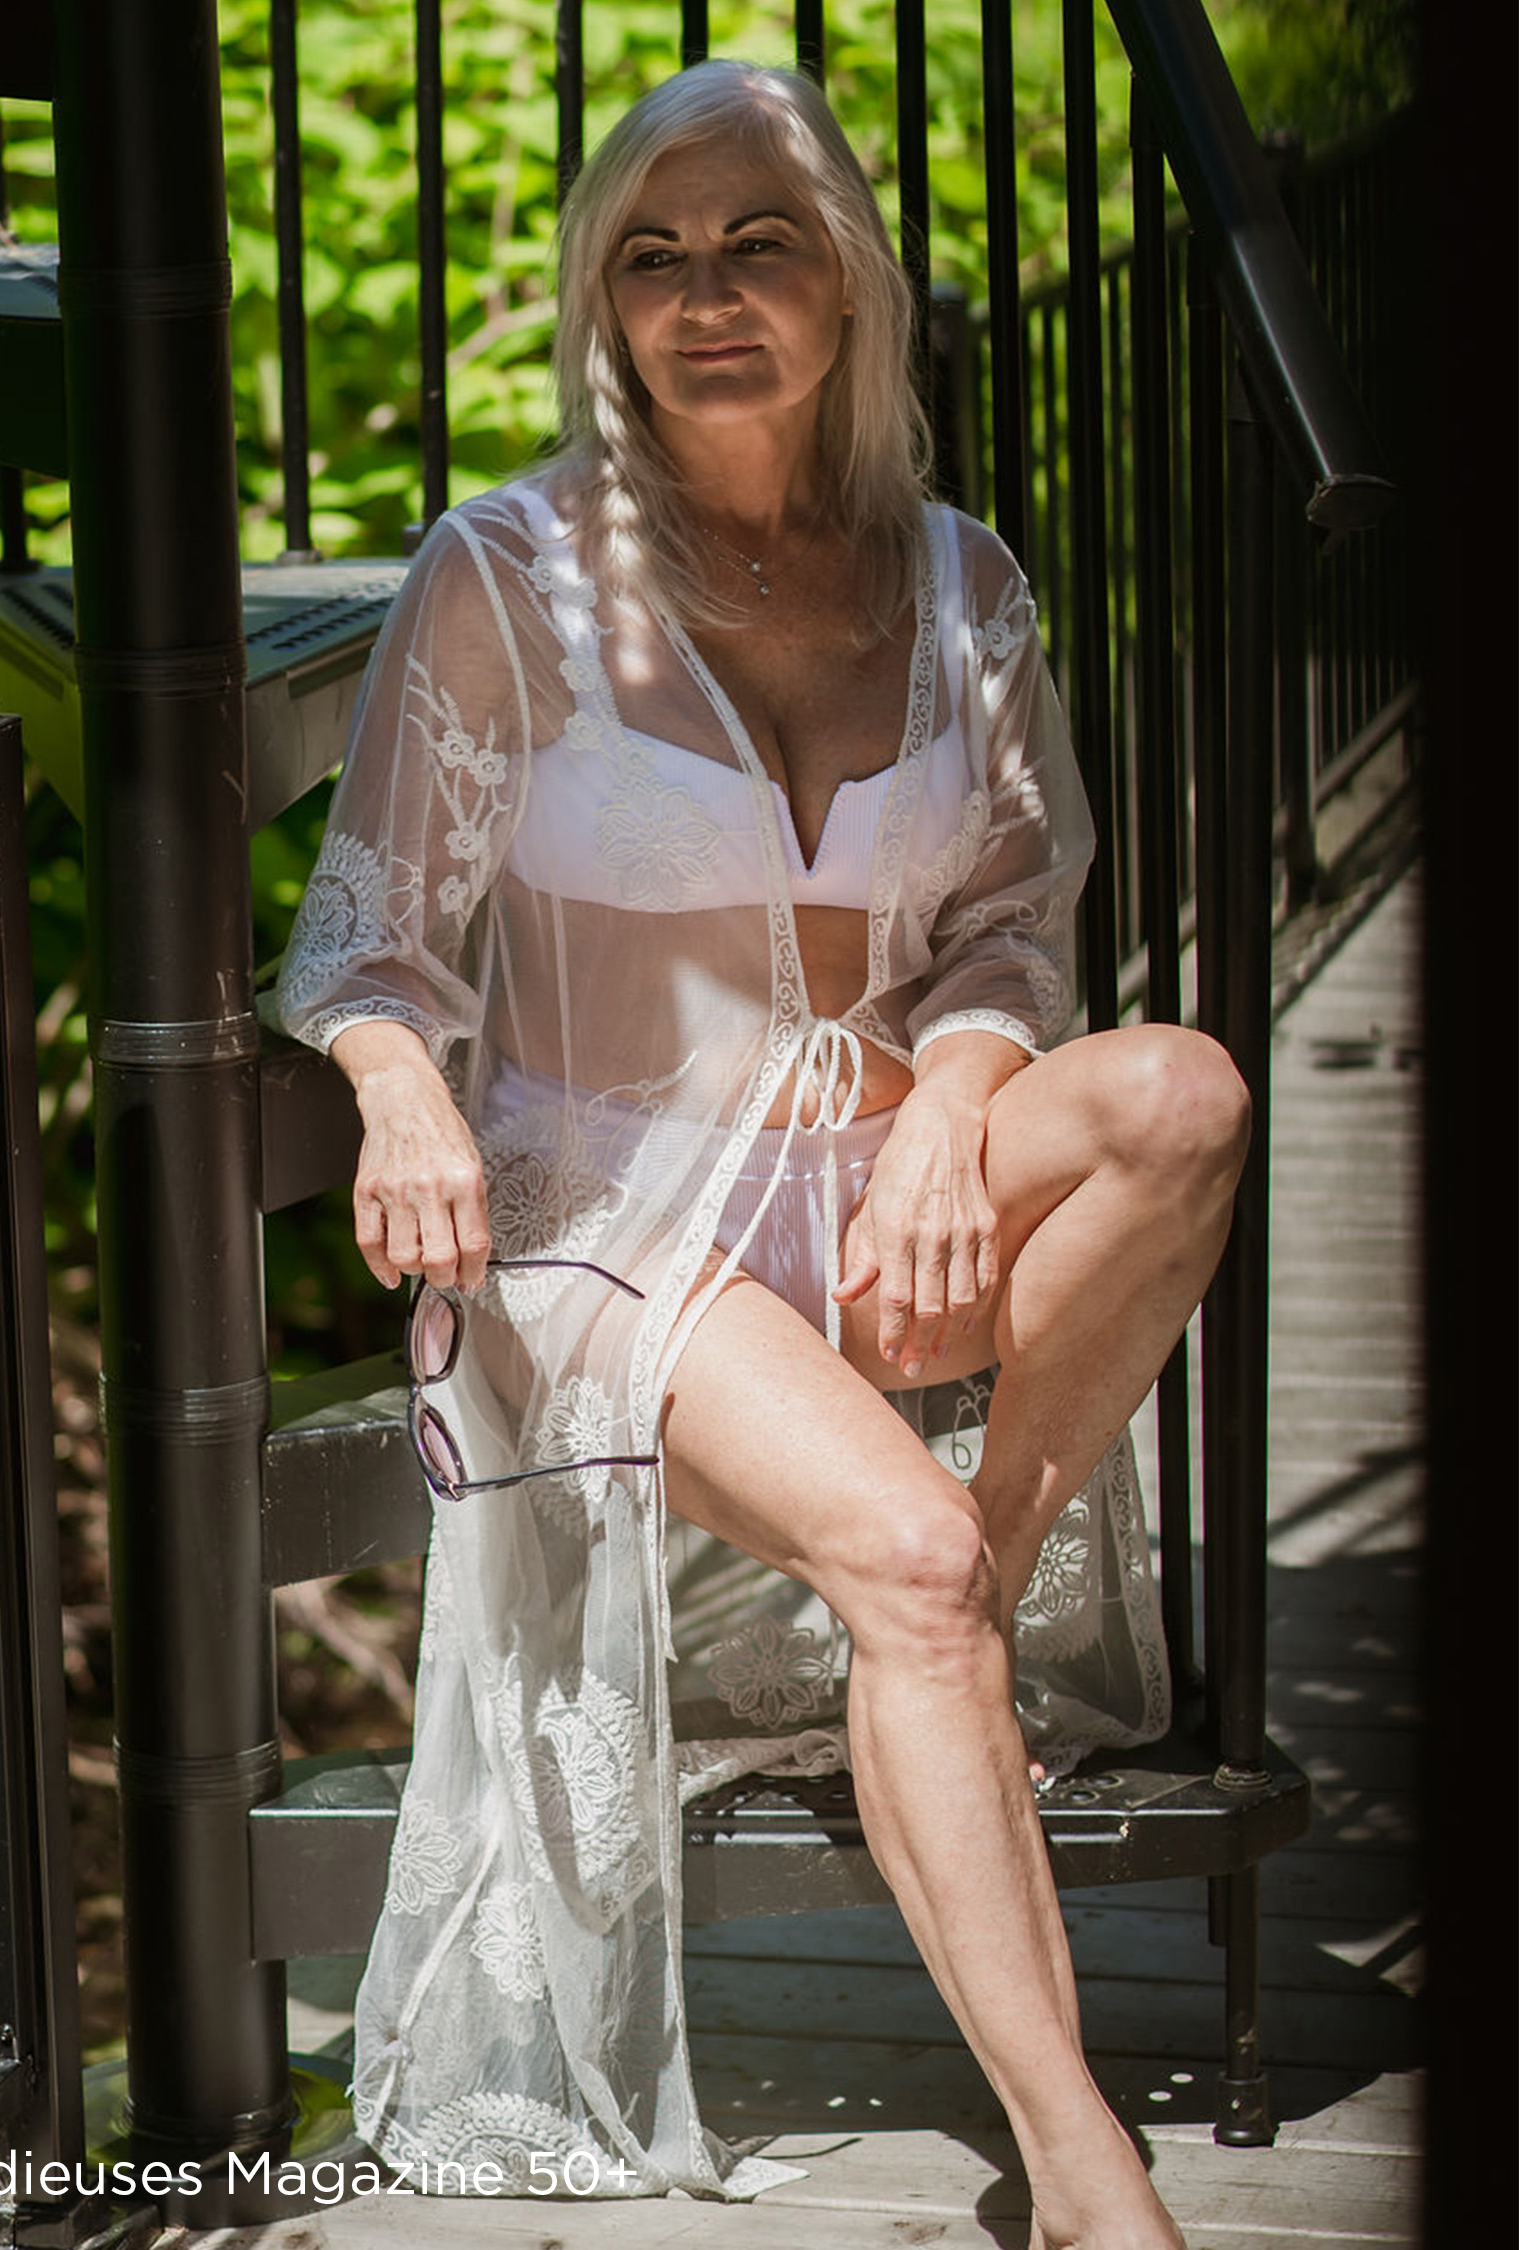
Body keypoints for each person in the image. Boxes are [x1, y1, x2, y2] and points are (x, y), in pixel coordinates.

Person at [272, 57, 1245, 2250]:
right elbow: (364, 939)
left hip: (877, 1185)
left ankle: (980, 1558)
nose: (704, 294)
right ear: (604, 307)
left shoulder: (962, 587)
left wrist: (958, 1107)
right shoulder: (509, 576)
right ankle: (1082, 2161)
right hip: (604, 1220)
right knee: (897, 1569)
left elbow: (1009, 927)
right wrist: (402, 1092)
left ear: (851, 283)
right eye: (652, 257)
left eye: (758, 243)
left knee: (1182, 1092)